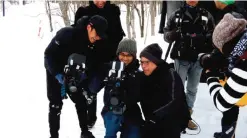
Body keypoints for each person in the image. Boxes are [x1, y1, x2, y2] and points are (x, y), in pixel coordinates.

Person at [44, 15, 108, 138]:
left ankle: (85, 131)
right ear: (89, 27)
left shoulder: (93, 43)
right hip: (55, 71)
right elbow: (48, 55)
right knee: (55, 104)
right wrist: (57, 74)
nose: (98, 37)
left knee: (81, 101)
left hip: (75, 72)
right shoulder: (67, 34)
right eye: (97, 33)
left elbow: (92, 62)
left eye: (100, 35)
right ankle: (53, 135)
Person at [163, 0, 215, 130]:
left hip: (198, 59)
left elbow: (214, 34)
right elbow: (166, 34)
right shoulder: (176, 15)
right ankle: (176, 117)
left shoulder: (206, 15)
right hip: (181, 58)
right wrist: (172, 34)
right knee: (177, 89)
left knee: (192, 89)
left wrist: (204, 37)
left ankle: (186, 117)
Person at [74, 0, 125, 127]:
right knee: (91, 89)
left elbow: (119, 34)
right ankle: (90, 117)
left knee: (112, 88)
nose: (101, 1)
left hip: (109, 55)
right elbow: (78, 34)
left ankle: (110, 117)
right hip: (90, 57)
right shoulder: (83, 12)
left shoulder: (113, 11)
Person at [206, 13, 247, 138]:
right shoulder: (243, 44)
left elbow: (222, 103)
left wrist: (211, 77)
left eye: (220, 49)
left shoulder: (244, 64)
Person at [139, 43, 190, 138]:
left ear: (156, 61)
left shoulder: (170, 74)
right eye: (141, 62)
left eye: (147, 62)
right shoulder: (144, 76)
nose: (143, 66)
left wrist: (155, 117)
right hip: (151, 121)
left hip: (170, 123)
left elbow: (175, 100)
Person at [102, 38, 143, 138]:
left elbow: (139, 97)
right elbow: (93, 87)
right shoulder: (109, 69)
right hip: (111, 110)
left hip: (131, 111)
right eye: (122, 54)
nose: (125, 58)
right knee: (110, 133)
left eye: (128, 55)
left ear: (133, 56)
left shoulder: (138, 74)